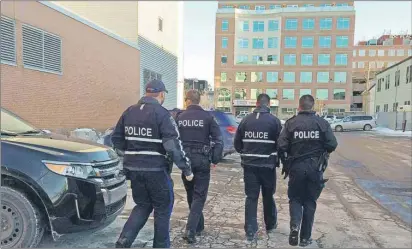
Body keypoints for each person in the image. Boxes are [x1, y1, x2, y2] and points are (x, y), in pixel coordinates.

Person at [111, 79, 194, 248]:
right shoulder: (162, 114)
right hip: (156, 170)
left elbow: (116, 140)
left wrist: (132, 155)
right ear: (161, 94)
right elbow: (172, 146)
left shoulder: (129, 112)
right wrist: (186, 169)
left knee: (142, 205)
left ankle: (123, 241)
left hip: (134, 170)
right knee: (163, 208)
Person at [277, 95, 338, 247]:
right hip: (315, 168)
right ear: (313, 107)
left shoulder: (291, 123)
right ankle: (305, 238)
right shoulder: (322, 123)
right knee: (310, 201)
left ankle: (294, 225)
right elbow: (332, 144)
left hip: (296, 168)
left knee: (296, 199)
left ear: (299, 106)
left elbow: (281, 146)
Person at [176, 90, 223, 244]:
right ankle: (191, 229)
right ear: (198, 100)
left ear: (187, 100)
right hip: (202, 160)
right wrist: (215, 159)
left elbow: (173, 139)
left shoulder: (179, 117)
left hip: (186, 161)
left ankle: (198, 226)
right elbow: (218, 140)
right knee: (199, 196)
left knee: (191, 193)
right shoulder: (208, 117)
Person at [234, 93, 282, 241]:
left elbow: (237, 144)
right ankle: (270, 224)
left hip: (249, 166)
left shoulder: (245, 120)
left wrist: (246, 153)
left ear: (256, 104)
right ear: (268, 104)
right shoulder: (274, 121)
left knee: (251, 197)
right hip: (268, 166)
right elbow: (281, 144)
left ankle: (250, 230)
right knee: (268, 196)